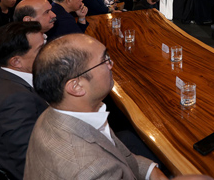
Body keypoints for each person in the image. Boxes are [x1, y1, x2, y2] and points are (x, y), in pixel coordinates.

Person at [24, 34, 168, 180]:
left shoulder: (56, 113)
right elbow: (103, 165)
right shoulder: (91, 171)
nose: (111, 64)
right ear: (77, 86)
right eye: (104, 60)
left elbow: (117, 156)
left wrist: (151, 171)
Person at [0, 21, 48, 180]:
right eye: (41, 49)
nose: (49, 51)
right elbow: (31, 162)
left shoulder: (9, 79)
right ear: (16, 62)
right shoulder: (15, 100)